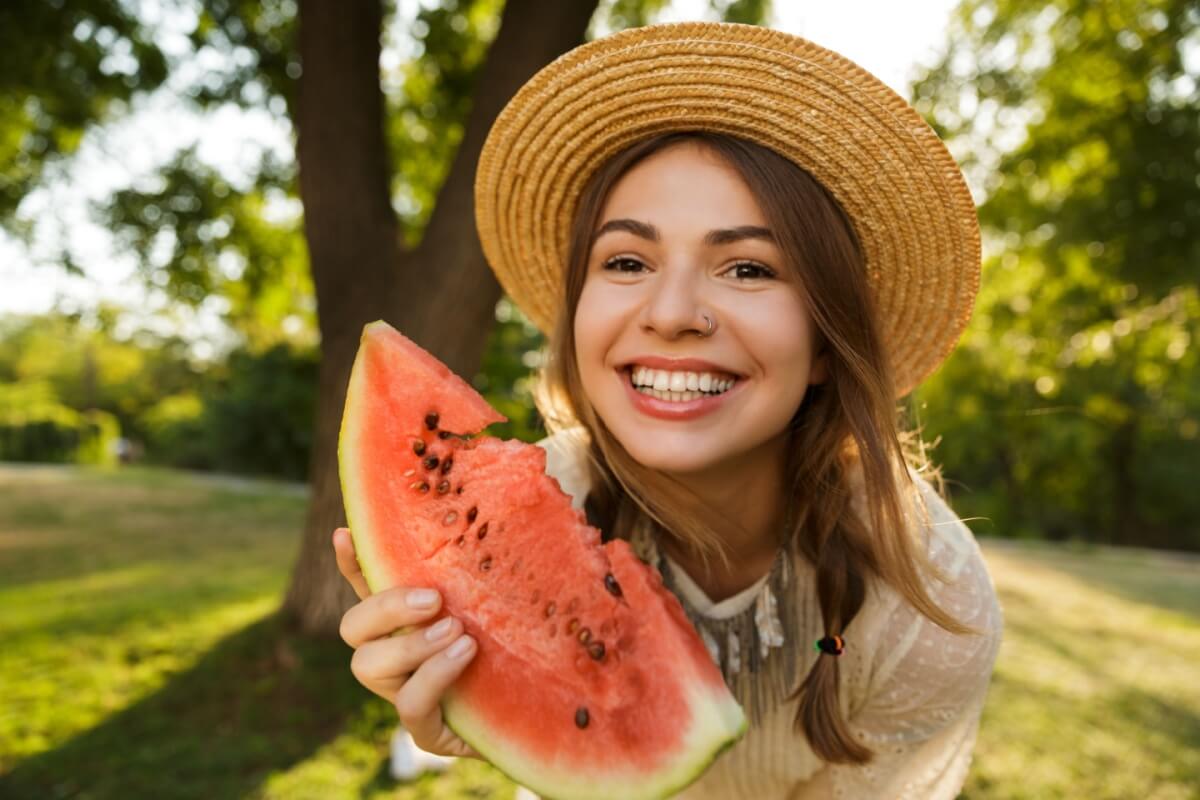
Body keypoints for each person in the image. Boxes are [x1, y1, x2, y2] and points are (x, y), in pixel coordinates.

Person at [332, 21, 1004, 799]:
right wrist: (494, 717)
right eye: (626, 261)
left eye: (748, 267)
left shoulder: (929, 605)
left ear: (826, 343)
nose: (673, 311)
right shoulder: (543, 499)